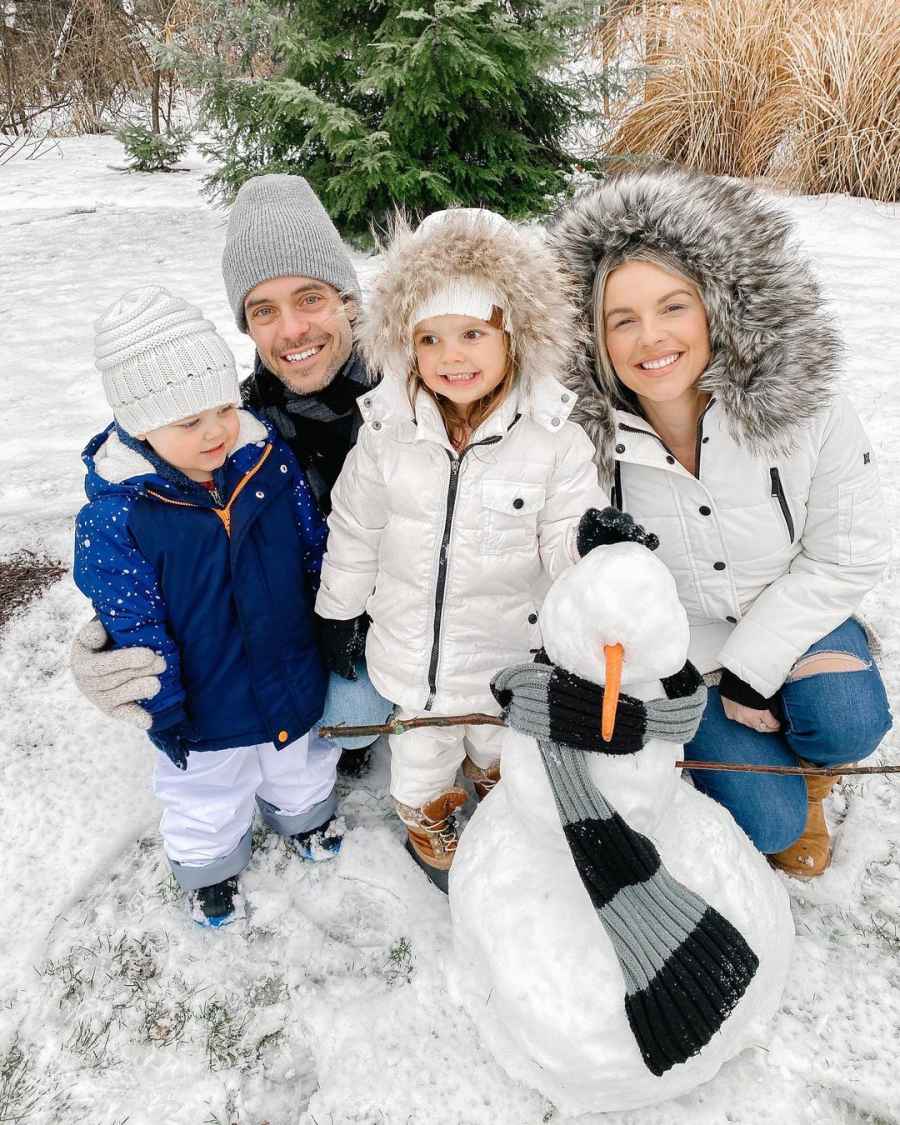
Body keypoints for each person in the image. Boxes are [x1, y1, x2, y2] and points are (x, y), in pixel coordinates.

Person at [548, 168, 892, 878]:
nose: (651, 338)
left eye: (673, 307)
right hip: (686, 654)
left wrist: (754, 667)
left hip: (795, 614)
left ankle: (814, 765)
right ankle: (778, 788)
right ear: (594, 335)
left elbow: (848, 554)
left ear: (718, 306)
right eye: (622, 320)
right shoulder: (579, 440)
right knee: (770, 823)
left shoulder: (805, 403)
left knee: (846, 716)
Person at [314, 208, 606, 891]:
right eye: (431, 338)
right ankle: (432, 816)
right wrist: (338, 612)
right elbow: (355, 529)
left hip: (507, 659)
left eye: (473, 333)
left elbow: (567, 534)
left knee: (505, 750)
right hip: (412, 666)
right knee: (421, 763)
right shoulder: (386, 434)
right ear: (405, 345)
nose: (452, 357)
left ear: (515, 336)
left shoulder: (553, 438)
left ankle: (498, 794)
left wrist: (593, 550)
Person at [69, 175, 391, 771]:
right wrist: (117, 636)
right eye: (264, 310)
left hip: (428, 607)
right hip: (325, 628)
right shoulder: (237, 431)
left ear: (347, 299)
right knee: (350, 723)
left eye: (311, 298)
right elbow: (185, 537)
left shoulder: (419, 383)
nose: (292, 330)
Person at [73, 286, 342, 927]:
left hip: (287, 663)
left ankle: (303, 818)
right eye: (188, 423)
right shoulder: (119, 517)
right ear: (140, 428)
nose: (216, 430)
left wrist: (329, 625)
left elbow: (313, 549)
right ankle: (209, 866)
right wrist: (164, 705)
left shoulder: (266, 463)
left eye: (222, 407)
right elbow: (133, 622)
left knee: (296, 756)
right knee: (205, 788)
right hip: (203, 693)